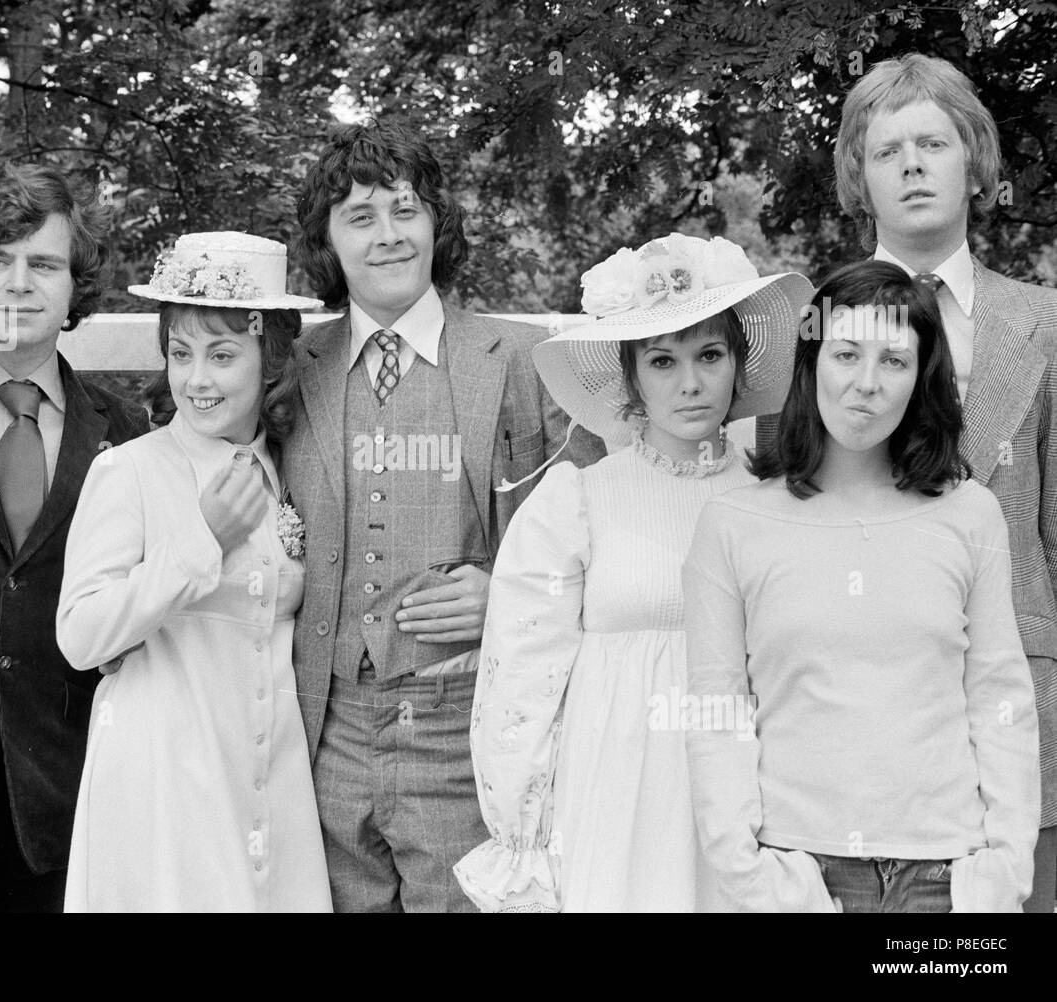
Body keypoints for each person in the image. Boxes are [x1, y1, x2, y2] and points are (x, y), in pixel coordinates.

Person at [757, 53, 1057, 911]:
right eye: (888, 152)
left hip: (1020, 719)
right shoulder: (803, 327)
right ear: (859, 178)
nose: (914, 165)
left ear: (976, 165)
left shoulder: (1046, 323)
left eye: (934, 143)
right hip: (844, 733)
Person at [283, 120, 605, 912]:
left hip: (465, 727)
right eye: (359, 217)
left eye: (405, 210)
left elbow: (600, 544)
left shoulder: (526, 362)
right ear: (328, 240)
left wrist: (506, 592)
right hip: (321, 730)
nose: (388, 235)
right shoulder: (288, 368)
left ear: (437, 223)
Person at [453, 234, 812, 911]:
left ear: (739, 363)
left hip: (746, 800)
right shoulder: (578, 502)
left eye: (710, 355)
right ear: (632, 376)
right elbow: (519, 689)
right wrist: (526, 841)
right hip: (613, 793)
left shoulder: (779, 504)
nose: (690, 382)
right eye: (662, 360)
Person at [691, 261, 1040, 912]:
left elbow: (1000, 698)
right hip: (797, 875)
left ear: (922, 378)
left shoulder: (969, 515)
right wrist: (748, 876)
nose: (866, 385)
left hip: (947, 878)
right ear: (811, 363)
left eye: (894, 362)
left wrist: (1004, 868)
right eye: (846, 354)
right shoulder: (734, 525)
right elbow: (716, 714)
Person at [56, 231, 331, 911]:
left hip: (269, 780)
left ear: (268, 362)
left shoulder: (293, 472)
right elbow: (81, 633)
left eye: (222, 355)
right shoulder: (131, 470)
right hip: (164, 779)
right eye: (181, 354)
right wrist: (200, 543)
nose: (196, 380)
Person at [0, 162, 150, 912]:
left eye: (44, 264)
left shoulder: (123, 431)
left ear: (74, 287)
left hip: (73, 793)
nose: (19, 285)